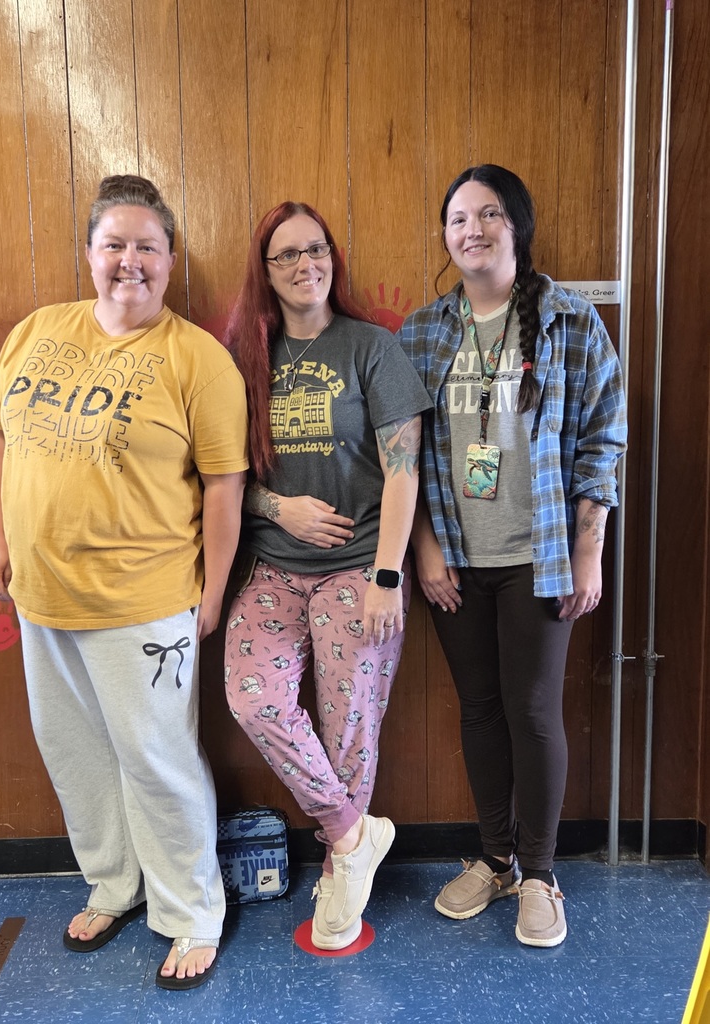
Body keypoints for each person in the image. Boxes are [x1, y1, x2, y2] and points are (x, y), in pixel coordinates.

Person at [0, 175, 248, 989]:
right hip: (41, 595)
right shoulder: (37, 331)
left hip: (145, 601)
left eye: (147, 247)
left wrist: (214, 592)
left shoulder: (197, 358)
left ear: (170, 259)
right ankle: (114, 884)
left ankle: (191, 911)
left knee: (157, 758)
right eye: (113, 245)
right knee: (76, 755)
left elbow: (225, 488)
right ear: (90, 254)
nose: (130, 261)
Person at [398, 165, 627, 948]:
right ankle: (494, 857)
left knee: (531, 711)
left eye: (489, 214)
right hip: (456, 556)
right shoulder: (424, 331)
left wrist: (589, 550)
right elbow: (405, 451)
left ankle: (539, 873)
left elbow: (603, 437)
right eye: (458, 217)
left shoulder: (568, 320)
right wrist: (424, 549)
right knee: (479, 709)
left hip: (542, 553)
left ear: (516, 227)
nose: (472, 229)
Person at [222, 201, 432, 950]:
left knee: (349, 724)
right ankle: (350, 835)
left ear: (332, 259)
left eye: (316, 250)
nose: (305, 264)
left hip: (359, 564)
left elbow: (404, 471)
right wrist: (279, 508)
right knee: (253, 699)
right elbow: (217, 474)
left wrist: (385, 575)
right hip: (275, 565)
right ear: (265, 270)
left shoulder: (371, 348)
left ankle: (339, 872)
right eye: (286, 255)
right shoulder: (241, 356)